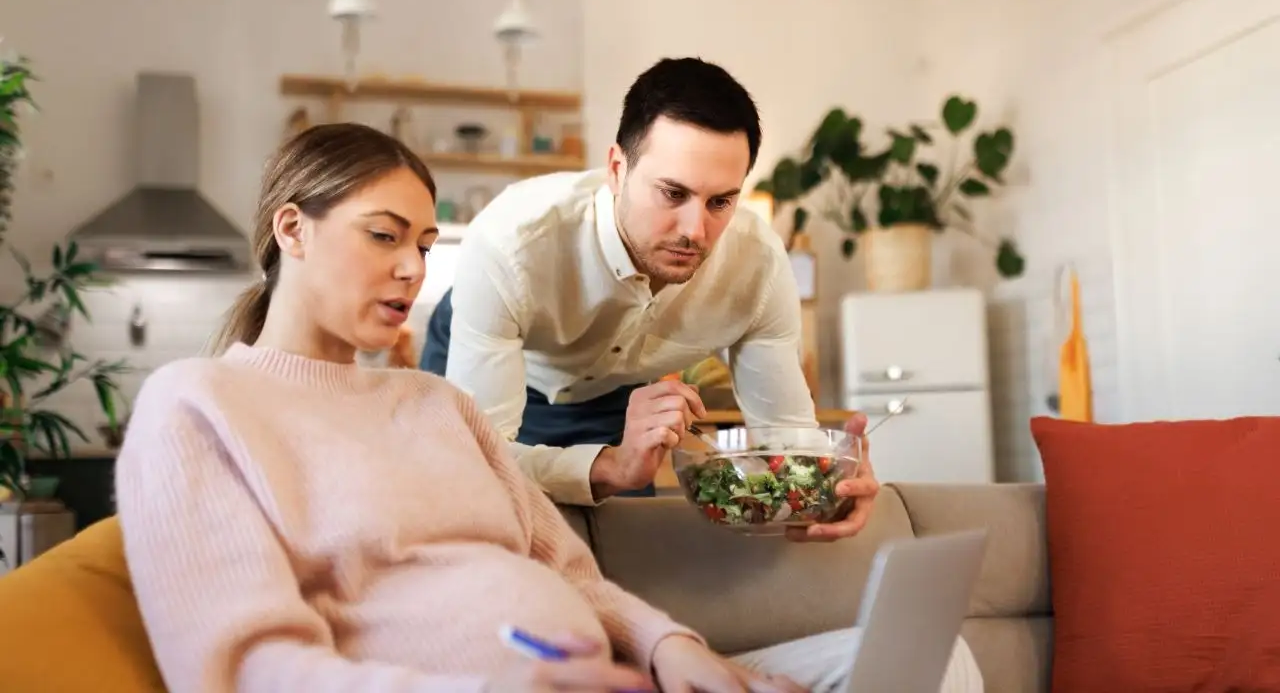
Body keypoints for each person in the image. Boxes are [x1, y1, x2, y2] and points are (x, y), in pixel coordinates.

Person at [113, 123, 982, 692]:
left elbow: (571, 574)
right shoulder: (198, 406)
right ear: (291, 230)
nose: (415, 272)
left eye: (422, 245)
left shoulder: (437, 406)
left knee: (936, 663)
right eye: (384, 236)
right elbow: (247, 667)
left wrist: (672, 647)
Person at [421, 57, 872, 541]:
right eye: (672, 193)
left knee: (617, 553)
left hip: (621, 393)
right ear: (617, 168)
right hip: (504, 357)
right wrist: (608, 466)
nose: (695, 232)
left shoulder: (757, 268)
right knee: (464, 519)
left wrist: (828, 484)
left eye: (720, 202)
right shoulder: (511, 244)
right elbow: (480, 460)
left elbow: (789, 444)